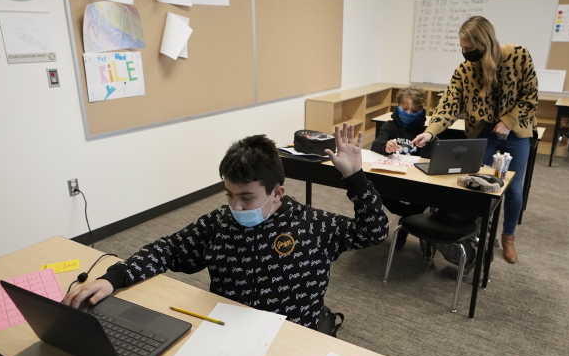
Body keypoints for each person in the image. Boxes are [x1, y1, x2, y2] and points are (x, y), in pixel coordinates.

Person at [63, 125, 389, 330]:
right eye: (229, 195)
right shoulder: (220, 221)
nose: (236, 207)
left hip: (292, 337)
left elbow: (374, 231)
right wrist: (114, 278)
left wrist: (355, 178)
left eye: (247, 197)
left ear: (277, 193)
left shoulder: (312, 225)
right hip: (226, 332)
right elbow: (167, 249)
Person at [412, 16, 537, 263]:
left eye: (468, 48)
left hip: (516, 132)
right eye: (462, 47)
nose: (464, 53)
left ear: (484, 42)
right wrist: (430, 131)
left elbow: (530, 96)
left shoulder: (518, 55)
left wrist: (507, 122)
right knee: (480, 185)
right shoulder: (465, 69)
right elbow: (448, 105)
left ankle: (508, 237)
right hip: (483, 133)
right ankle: (478, 235)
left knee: (513, 189)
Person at [370, 86, 433, 248]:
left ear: (421, 111)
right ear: (397, 107)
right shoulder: (390, 126)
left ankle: (404, 225)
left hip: (416, 179)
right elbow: (376, 143)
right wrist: (385, 146)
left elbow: (430, 156)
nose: (409, 113)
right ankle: (407, 218)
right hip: (393, 176)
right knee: (376, 189)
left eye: (414, 110)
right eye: (405, 109)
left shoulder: (426, 131)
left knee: (428, 196)